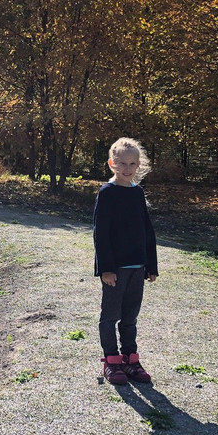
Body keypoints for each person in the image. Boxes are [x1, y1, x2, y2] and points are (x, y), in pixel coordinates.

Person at [92, 137, 159, 385]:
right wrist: (106, 269)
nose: (127, 169)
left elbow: (147, 231)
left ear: (139, 165)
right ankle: (111, 360)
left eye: (132, 164)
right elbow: (101, 234)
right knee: (110, 315)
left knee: (130, 316)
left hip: (137, 268)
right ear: (112, 164)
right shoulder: (107, 193)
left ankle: (130, 359)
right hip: (115, 270)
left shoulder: (138, 193)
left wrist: (151, 266)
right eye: (122, 163)